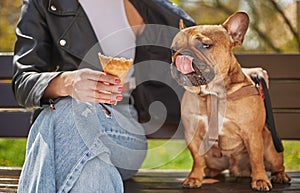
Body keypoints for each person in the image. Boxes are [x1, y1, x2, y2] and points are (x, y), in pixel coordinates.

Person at [12, 0, 268, 192]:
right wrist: (67, 82)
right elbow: (23, 82)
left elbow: (204, 47)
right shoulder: (43, 4)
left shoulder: (150, 4)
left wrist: (235, 73)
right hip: (63, 125)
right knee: (91, 165)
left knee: (64, 113)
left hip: (123, 127)